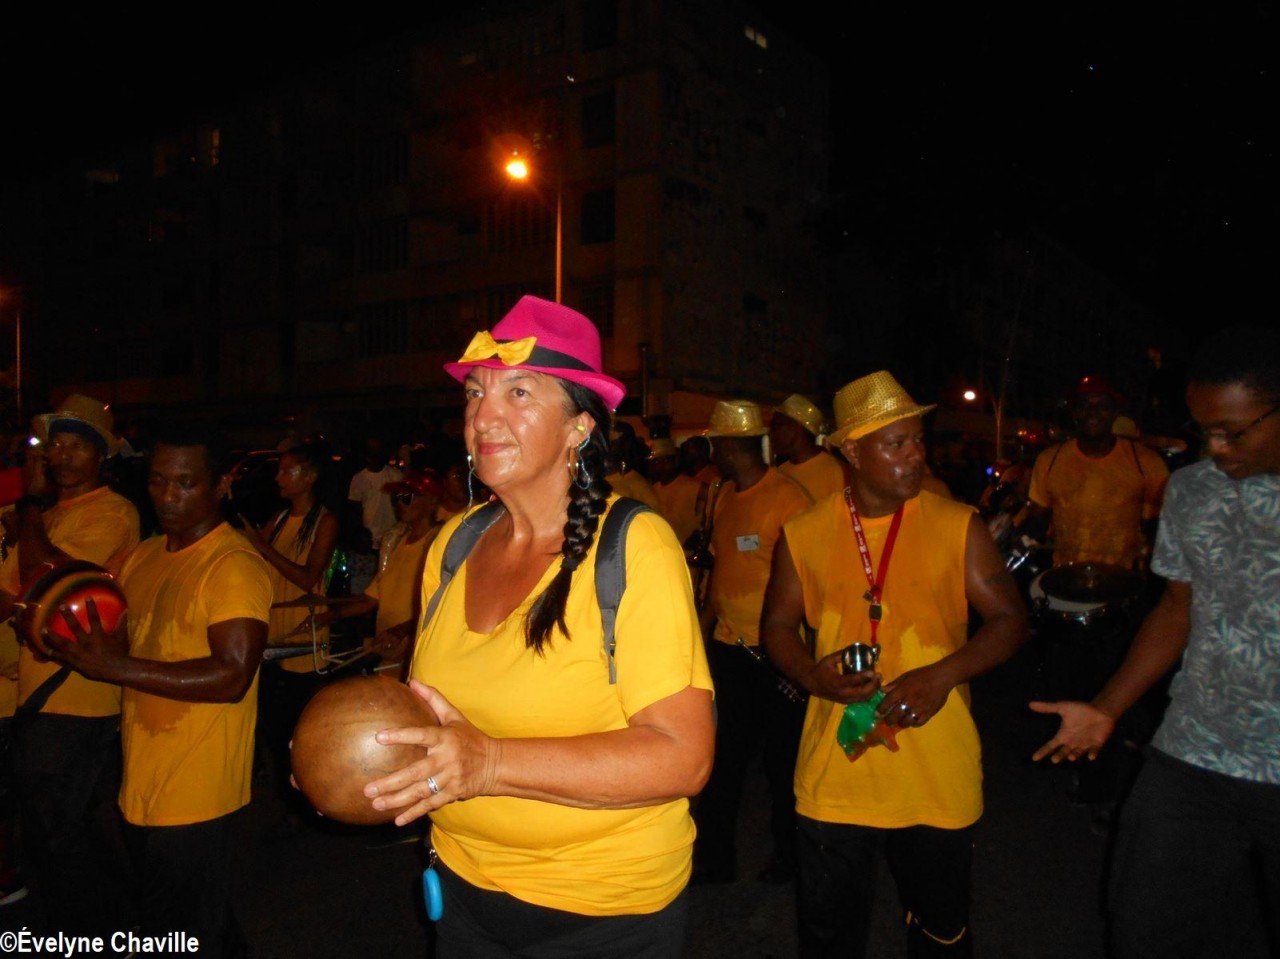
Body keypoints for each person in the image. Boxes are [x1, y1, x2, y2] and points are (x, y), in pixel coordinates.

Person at [362, 295, 714, 957]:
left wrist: (489, 763)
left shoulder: (634, 546)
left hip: (601, 916)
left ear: (580, 426)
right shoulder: (453, 544)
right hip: (463, 892)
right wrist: (350, 748)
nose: (482, 417)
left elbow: (683, 756)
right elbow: (430, 711)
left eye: (518, 392)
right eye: (474, 393)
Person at [1030, 327, 1280, 959]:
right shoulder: (1192, 490)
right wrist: (1107, 707)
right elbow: (1176, 608)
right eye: (1204, 431)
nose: (1215, 447)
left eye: (1233, 431)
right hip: (1194, 750)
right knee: (1142, 927)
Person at [761, 371, 1028, 958]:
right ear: (853, 452)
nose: (916, 455)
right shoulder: (804, 532)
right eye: (896, 443)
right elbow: (776, 628)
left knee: (941, 928)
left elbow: (1010, 619)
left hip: (935, 767)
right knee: (830, 933)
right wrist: (811, 676)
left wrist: (942, 675)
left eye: (918, 440)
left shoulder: (958, 524)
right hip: (837, 769)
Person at [41, 423, 273, 958]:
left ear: (220, 486)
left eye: (186, 483)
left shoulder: (232, 564)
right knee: (195, 924)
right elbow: (125, 644)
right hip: (144, 772)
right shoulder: (144, 556)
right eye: (159, 480)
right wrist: (71, 639)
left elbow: (232, 676)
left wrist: (116, 667)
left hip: (198, 790)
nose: (168, 496)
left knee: (178, 930)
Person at [0, 394, 140, 935]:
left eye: (76, 446)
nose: (61, 456)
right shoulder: (46, 515)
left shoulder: (111, 512)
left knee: (60, 837)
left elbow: (45, 586)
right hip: (36, 693)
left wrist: (29, 507)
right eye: (55, 445)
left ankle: (89, 935)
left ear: (101, 455)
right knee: (64, 833)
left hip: (74, 699)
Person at [693, 399, 812, 885]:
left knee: (783, 762)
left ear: (727, 446)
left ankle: (791, 856)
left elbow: (811, 582)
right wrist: (699, 637)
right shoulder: (725, 495)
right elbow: (722, 573)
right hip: (730, 650)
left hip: (774, 656)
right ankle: (715, 859)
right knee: (723, 759)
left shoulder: (788, 499)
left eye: (715, 444)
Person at [240, 439, 339, 795]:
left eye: (286, 470)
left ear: (309, 476)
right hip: (273, 628)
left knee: (297, 722)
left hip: (302, 631)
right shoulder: (280, 518)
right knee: (270, 716)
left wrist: (262, 547)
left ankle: (302, 789)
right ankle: (281, 786)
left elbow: (308, 578)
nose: (278, 478)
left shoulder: (325, 521)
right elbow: (251, 555)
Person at [1022, 375, 1169, 570]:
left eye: (1103, 406)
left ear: (1116, 412)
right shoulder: (1049, 460)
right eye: (1084, 405)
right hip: (1066, 574)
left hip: (1123, 577)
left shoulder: (1145, 461)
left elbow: (1159, 524)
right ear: (1075, 412)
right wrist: (1023, 541)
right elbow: (1038, 518)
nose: (1093, 412)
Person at [311, 468, 446, 674]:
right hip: (389, 651)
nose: (399, 503)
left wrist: (401, 630)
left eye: (407, 497)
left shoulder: (440, 542)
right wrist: (329, 616)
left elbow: (442, 606)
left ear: (431, 501)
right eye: (397, 497)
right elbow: (372, 598)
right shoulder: (395, 542)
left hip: (418, 655)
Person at [770, 393, 846, 503]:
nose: (771, 433)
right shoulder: (779, 472)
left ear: (796, 427)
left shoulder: (836, 472)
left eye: (776, 426)